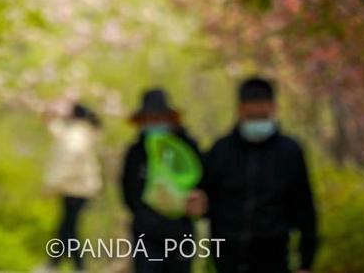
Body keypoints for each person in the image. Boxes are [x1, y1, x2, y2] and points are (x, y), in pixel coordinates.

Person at [193, 77, 318, 273]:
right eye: (251, 116)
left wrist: (306, 262)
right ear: (240, 110)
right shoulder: (220, 151)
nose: (256, 121)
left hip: (273, 255)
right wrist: (198, 203)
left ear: (273, 109)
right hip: (227, 255)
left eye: (262, 116)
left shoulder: (289, 152)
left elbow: (305, 207)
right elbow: (204, 199)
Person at [121, 88, 202, 273]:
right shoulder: (136, 153)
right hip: (146, 233)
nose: (154, 124)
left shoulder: (186, 147)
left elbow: (201, 183)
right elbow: (128, 193)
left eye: (158, 118)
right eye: (149, 119)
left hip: (180, 233)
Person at [44, 102, 102, 271]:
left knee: (68, 229)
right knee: (67, 228)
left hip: (76, 189)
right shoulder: (80, 132)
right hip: (77, 188)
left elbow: (68, 159)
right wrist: (49, 117)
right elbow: (59, 133)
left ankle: (71, 266)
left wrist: (52, 184)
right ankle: (58, 264)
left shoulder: (76, 135)